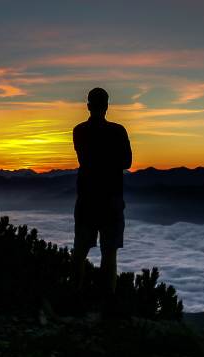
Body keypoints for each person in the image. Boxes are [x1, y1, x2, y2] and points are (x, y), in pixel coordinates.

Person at [72, 87, 132, 296]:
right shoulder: (118, 131)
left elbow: (85, 159)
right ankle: (107, 303)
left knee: (79, 252)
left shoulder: (79, 131)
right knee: (109, 254)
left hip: (87, 200)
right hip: (111, 201)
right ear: (107, 107)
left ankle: (74, 297)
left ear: (88, 106)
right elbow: (127, 162)